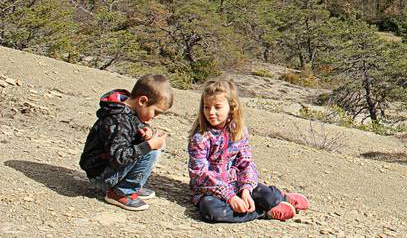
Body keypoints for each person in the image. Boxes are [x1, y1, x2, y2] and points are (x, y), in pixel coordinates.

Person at [188, 78, 308, 223]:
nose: (211, 112)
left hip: (236, 183)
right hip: (209, 190)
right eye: (206, 107)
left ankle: (281, 198)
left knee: (269, 196)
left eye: (217, 107)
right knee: (212, 211)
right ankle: (262, 212)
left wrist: (246, 189)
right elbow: (199, 173)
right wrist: (229, 196)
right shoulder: (200, 138)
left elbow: (246, 163)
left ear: (232, 107)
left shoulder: (238, 131)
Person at [79, 74, 173, 211]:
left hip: (106, 169)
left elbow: (132, 132)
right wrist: (149, 145)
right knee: (151, 150)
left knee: (154, 144)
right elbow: (119, 157)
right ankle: (121, 191)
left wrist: (146, 134)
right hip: (101, 175)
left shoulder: (130, 112)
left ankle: (131, 185)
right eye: (156, 112)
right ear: (142, 101)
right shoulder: (119, 120)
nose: (154, 117)